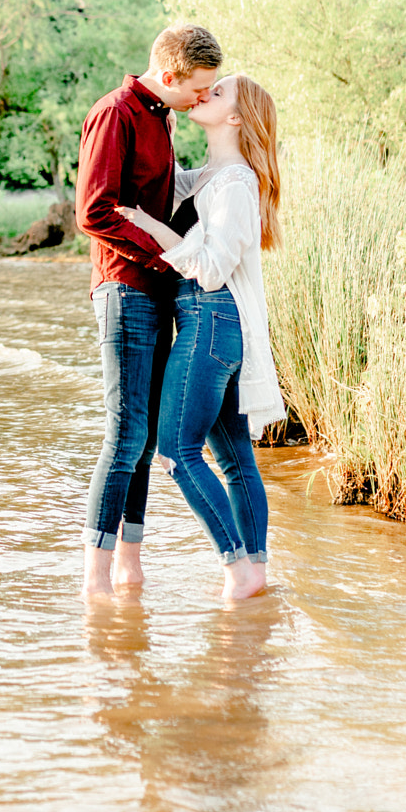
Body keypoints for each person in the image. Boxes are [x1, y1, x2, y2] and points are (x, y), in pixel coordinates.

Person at [118, 73, 286, 601]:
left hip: (210, 319)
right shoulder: (212, 176)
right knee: (235, 461)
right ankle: (253, 572)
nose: (203, 95)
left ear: (235, 118)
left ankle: (237, 567)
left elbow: (211, 269)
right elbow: (171, 184)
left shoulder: (236, 182)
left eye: (217, 93)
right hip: (211, 323)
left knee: (176, 451)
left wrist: (152, 229)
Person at [73, 24, 222, 600]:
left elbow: (161, 203)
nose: (202, 99)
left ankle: (130, 567)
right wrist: (166, 261)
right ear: (169, 76)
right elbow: (95, 212)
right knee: (125, 433)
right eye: (198, 89)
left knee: (143, 438)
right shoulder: (116, 113)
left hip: (155, 289)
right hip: (125, 289)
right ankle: (94, 580)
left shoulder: (163, 116)